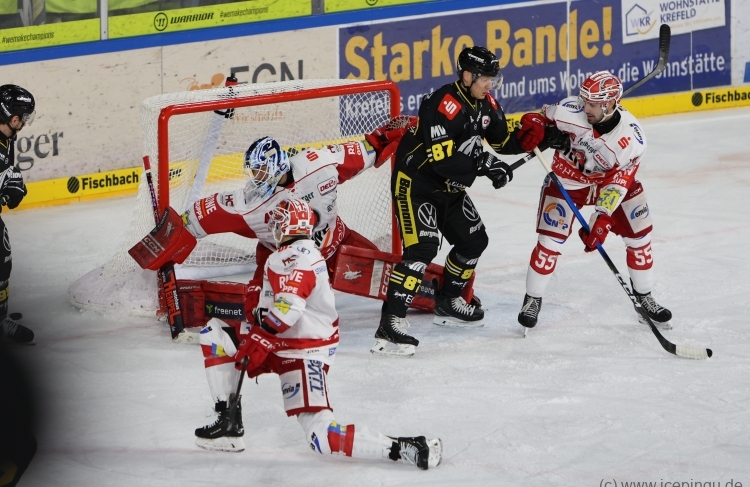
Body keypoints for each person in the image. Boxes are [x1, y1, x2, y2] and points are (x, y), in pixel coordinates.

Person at [194, 198, 443, 469]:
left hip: (304, 350)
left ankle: (404, 447)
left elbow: (289, 307)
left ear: (290, 226)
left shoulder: (297, 257)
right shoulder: (289, 253)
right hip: (282, 340)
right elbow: (273, 298)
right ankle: (228, 422)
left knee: (321, 437)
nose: (273, 227)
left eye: (278, 222)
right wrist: (258, 304)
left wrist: (259, 339)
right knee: (216, 332)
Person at [374, 46, 547, 356]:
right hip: (417, 185)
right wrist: (484, 164)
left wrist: (540, 137)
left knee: (473, 241)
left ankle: (448, 302)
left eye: (493, 79)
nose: (491, 85)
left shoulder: (486, 103)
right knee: (422, 250)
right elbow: (441, 160)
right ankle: (391, 322)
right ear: (467, 76)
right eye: (485, 79)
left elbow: (501, 141)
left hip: (450, 187)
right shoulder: (442, 104)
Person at [180, 122, 412, 315]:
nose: (256, 178)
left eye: (260, 170)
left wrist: (396, 135)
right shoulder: (248, 204)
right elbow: (193, 219)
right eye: (254, 172)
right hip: (283, 264)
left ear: (276, 164)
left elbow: (371, 147)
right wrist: (171, 239)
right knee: (259, 309)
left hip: (338, 246)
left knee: (393, 282)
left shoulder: (319, 164)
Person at [516, 71, 672, 331]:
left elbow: (619, 182)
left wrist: (602, 217)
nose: (585, 108)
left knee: (640, 236)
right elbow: (540, 118)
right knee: (549, 242)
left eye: (593, 104)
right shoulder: (569, 110)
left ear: (610, 104)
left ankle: (644, 297)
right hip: (568, 180)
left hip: (609, 184)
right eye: (585, 101)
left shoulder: (631, 139)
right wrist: (535, 123)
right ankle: (532, 299)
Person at [0, 84, 35, 345]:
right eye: (22, 118)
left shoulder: (6, 138)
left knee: (3, 258)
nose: (23, 124)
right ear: (13, 118)